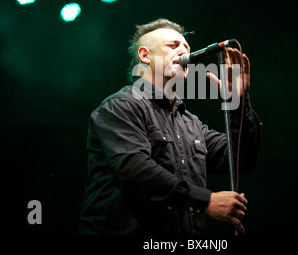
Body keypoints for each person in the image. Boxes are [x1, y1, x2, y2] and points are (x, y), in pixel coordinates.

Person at [77, 18, 261, 235]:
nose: (184, 51)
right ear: (145, 56)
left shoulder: (191, 123)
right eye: (173, 46)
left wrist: (237, 102)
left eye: (186, 47)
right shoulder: (120, 107)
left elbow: (243, 158)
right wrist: (206, 201)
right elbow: (135, 171)